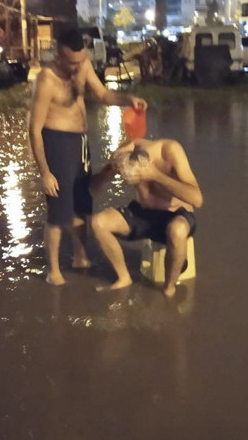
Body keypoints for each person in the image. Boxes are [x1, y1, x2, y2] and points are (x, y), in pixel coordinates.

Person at [29, 27, 147, 286]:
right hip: (56, 143)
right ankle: (54, 272)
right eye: (72, 63)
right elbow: (34, 129)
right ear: (58, 56)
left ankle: (80, 257)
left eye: (81, 61)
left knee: (83, 203)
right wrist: (45, 172)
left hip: (80, 142)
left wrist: (129, 99)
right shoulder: (46, 80)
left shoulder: (82, 66)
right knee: (59, 210)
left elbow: (104, 95)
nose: (78, 68)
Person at [91, 137, 202, 297]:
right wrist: (110, 166)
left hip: (177, 213)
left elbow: (197, 199)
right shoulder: (126, 153)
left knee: (177, 230)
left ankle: (169, 288)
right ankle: (124, 278)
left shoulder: (169, 151)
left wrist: (156, 175)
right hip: (145, 213)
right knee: (98, 222)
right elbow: (96, 186)